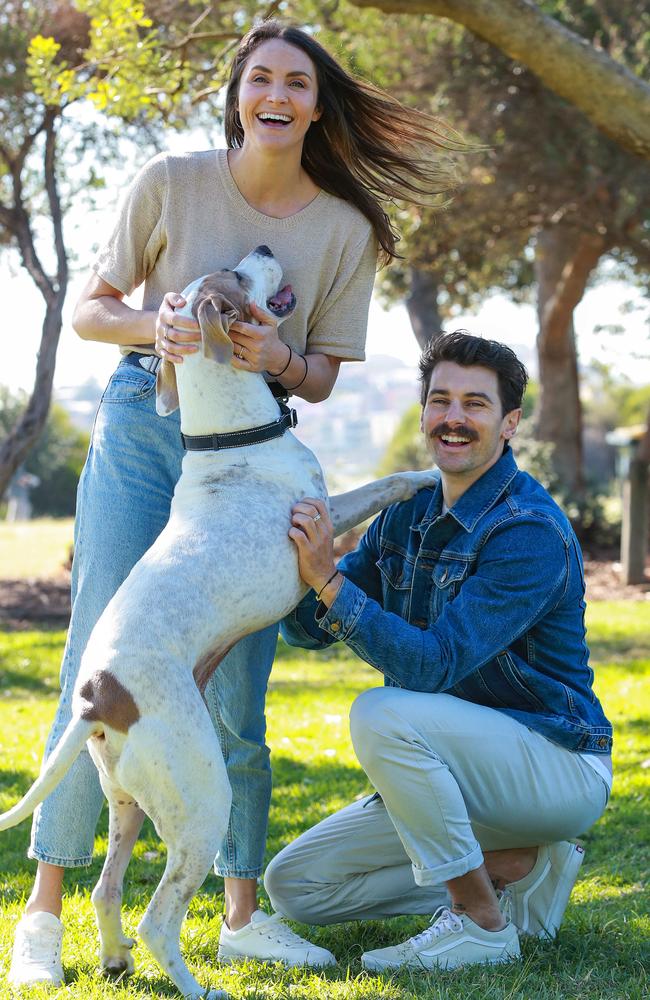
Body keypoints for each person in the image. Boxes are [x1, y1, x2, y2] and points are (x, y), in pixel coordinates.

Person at [8, 20, 460, 988]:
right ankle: (45, 910)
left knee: (237, 685)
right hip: (146, 421)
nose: (279, 94)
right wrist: (158, 321)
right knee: (103, 652)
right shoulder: (170, 179)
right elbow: (92, 306)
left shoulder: (342, 227)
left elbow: (327, 372)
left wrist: (277, 357)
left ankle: (241, 911)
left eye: (297, 81)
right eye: (261, 77)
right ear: (237, 95)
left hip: (255, 439)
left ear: (315, 105)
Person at [265, 331, 612, 972]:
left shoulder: (528, 531)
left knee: (382, 712)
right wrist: (287, 559)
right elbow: (306, 630)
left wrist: (327, 579)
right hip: (458, 766)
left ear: (510, 422)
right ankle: (519, 865)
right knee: (296, 887)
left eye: (475, 405)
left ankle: (478, 920)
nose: (453, 419)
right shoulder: (410, 508)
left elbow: (431, 665)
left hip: (554, 763)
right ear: (424, 411)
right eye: (440, 400)